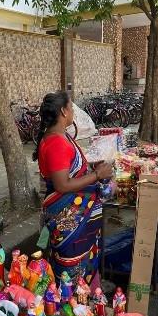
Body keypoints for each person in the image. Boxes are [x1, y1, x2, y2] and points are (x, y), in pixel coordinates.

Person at [34, 91, 112, 287]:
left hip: (75, 217)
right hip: (69, 219)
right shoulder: (56, 142)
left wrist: (90, 169)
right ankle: (71, 307)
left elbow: (70, 171)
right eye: (71, 108)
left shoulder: (60, 136)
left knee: (79, 269)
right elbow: (62, 185)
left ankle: (83, 303)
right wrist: (96, 176)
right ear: (63, 111)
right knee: (71, 272)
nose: (73, 112)